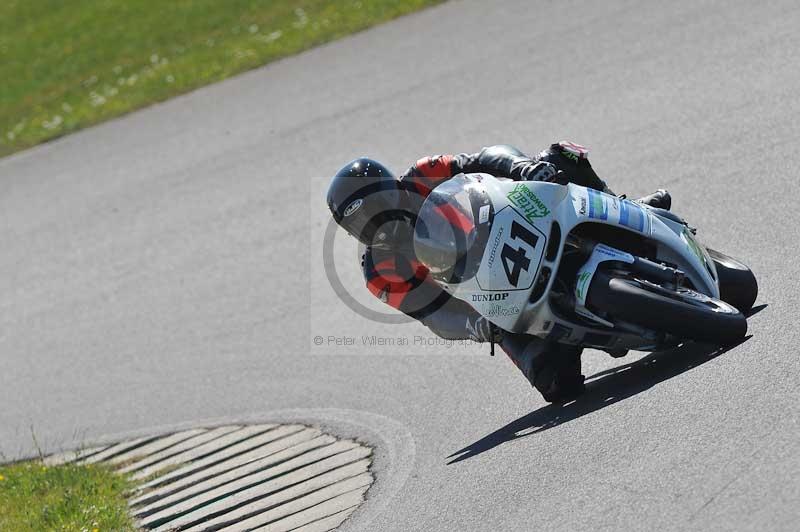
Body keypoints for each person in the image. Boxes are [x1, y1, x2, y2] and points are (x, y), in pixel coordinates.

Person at [326, 143, 670, 402]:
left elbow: (487, 157)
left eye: (377, 207)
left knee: (561, 155)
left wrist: (524, 168)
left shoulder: (424, 173)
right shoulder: (380, 272)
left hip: (519, 227)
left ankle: (629, 208)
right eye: (358, 223)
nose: (373, 225)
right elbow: (435, 316)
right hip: (496, 301)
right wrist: (478, 325)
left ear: (392, 188)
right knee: (557, 386)